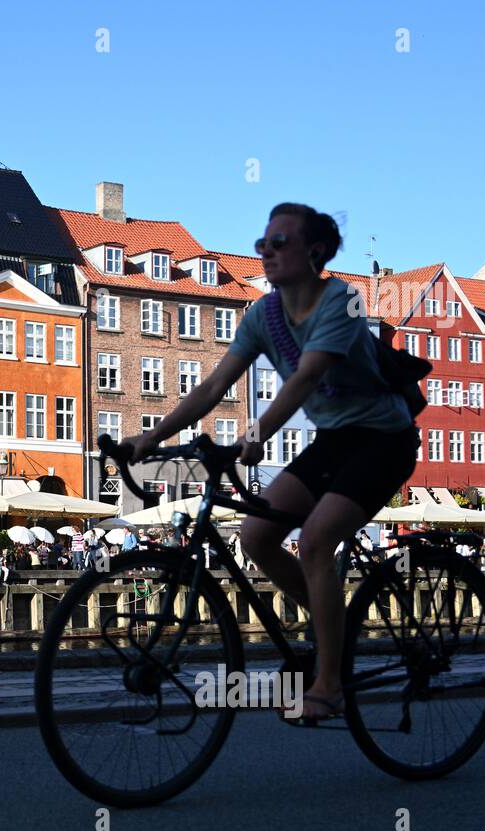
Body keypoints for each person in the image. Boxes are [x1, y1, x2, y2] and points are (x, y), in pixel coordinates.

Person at [122, 203, 418, 722]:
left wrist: (254, 436)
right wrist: (152, 437)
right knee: (256, 535)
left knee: (316, 539)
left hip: (383, 438)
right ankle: (336, 629)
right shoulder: (262, 315)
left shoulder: (341, 302)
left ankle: (329, 683)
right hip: (333, 440)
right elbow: (215, 385)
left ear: (315, 252)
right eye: (263, 242)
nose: (267, 251)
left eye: (279, 242)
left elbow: (305, 376)